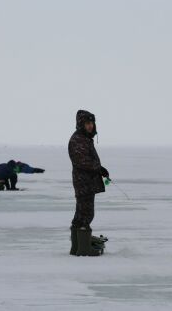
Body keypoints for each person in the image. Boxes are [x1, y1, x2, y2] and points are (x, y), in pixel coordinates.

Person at [68, 110, 110, 256]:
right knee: (85, 215)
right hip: (83, 183)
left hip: (86, 182)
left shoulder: (84, 139)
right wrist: (98, 168)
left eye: (92, 123)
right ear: (81, 124)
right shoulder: (78, 139)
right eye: (87, 123)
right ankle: (84, 249)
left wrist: (99, 169)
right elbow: (82, 161)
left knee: (81, 215)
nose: (90, 126)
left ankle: (77, 248)